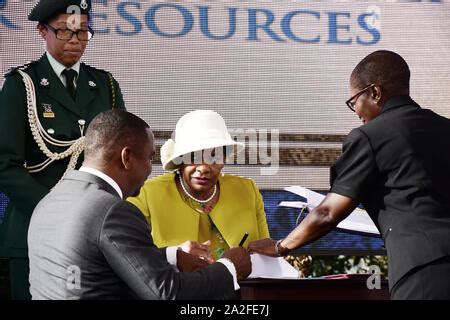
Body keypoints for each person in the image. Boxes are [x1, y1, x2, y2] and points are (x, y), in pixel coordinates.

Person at [248, 50, 450, 300]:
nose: (355, 111)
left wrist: (281, 246)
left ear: (375, 93)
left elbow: (328, 212)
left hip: (423, 270)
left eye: (353, 101)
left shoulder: (370, 136)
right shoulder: (444, 127)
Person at [27, 109, 251, 300]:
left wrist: (172, 255)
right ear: (127, 158)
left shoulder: (50, 200)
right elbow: (166, 293)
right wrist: (229, 267)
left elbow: (98, 262)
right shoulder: (114, 211)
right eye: (149, 158)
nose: (150, 169)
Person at [0, 0, 125, 299]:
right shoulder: (22, 85)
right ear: (42, 31)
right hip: (33, 228)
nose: (75, 41)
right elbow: (5, 164)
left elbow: (120, 156)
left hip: (92, 230)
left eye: (83, 33)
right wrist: (54, 211)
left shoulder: (105, 85)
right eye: (65, 32)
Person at [128, 110, 270, 262]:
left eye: (214, 157)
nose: (203, 168)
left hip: (243, 284)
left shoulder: (247, 190)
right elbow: (131, 258)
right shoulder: (146, 195)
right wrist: (175, 255)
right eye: (194, 156)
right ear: (179, 159)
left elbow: (266, 252)